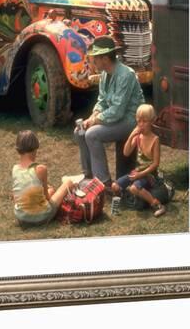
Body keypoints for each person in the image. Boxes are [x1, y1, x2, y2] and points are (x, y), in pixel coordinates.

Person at [74, 35, 144, 189]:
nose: (93, 62)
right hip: (116, 117)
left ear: (105, 58)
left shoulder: (126, 74)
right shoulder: (105, 74)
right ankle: (89, 175)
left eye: (95, 58)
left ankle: (103, 183)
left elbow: (118, 111)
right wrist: (92, 116)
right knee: (80, 131)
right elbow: (102, 101)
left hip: (130, 120)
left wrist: (95, 120)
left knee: (92, 134)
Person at [111, 104, 166, 217]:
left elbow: (155, 164)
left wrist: (140, 174)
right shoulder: (138, 137)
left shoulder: (155, 139)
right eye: (138, 121)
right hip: (136, 173)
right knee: (114, 186)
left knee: (134, 188)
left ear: (151, 121)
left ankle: (157, 204)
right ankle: (123, 200)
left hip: (149, 175)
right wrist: (132, 135)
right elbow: (126, 152)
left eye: (144, 121)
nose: (141, 124)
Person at [12, 130, 73, 226]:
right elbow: (47, 198)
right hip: (41, 217)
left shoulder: (15, 169)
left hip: (21, 218)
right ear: (35, 148)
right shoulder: (41, 169)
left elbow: (16, 197)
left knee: (51, 190)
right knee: (68, 183)